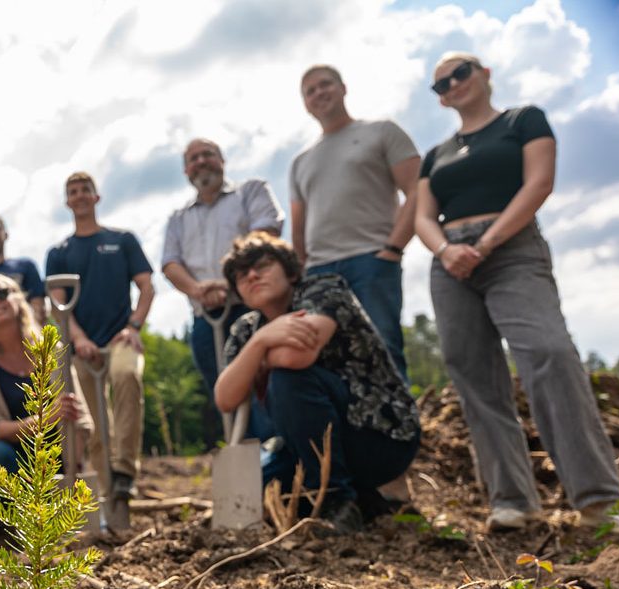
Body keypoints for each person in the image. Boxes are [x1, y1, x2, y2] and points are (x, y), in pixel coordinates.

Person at [415, 52, 619, 532]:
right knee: (474, 377)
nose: (451, 85)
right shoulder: (436, 155)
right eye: (440, 84)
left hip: (511, 250)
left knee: (549, 353)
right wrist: (448, 252)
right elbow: (423, 216)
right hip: (451, 264)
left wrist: (486, 243)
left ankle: (597, 500)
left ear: (485, 74)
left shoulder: (522, 120)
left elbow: (539, 183)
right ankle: (512, 500)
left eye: (459, 73)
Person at [214, 233, 420, 532]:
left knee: (288, 378)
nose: (252, 275)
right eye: (241, 274)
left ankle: (337, 502)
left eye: (263, 265)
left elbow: (295, 356)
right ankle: (366, 502)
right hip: (307, 445)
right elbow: (225, 397)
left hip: (380, 436)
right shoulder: (247, 329)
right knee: (261, 492)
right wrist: (260, 341)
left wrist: (256, 363)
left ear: (290, 271)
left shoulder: (324, 289)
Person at [291, 65, 420, 378]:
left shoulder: (381, 132)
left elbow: (419, 190)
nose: (319, 93)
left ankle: (399, 426)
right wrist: (304, 270)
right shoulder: (301, 160)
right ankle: (346, 429)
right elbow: (298, 222)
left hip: (371, 260)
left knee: (382, 347)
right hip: (320, 272)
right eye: (310, 91)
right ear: (305, 103)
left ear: (343, 88)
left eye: (325, 85)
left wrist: (392, 249)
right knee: (328, 358)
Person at [45, 172, 154, 501]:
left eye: (85, 190)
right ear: (67, 202)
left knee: (126, 376)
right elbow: (57, 303)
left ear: (96, 197)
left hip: (121, 339)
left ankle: (124, 470)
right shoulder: (59, 252)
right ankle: (110, 499)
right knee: (92, 426)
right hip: (82, 347)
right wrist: (77, 338)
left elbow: (147, 286)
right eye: (72, 191)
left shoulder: (122, 240)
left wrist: (132, 327)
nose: (79, 196)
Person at [162, 139, 283, 394]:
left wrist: (230, 283)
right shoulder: (179, 218)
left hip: (253, 306)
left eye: (208, 154)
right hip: (206, 318)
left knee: (267, 385)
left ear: (222, 160)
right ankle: (240, 436)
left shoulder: (250, 191)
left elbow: (265, 232)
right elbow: (171, 263)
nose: (201, 162)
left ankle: (271, 435)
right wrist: (198, 290)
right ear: (186, 171)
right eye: (193, 159)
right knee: (224, 392)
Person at [0, 273, 91, 488]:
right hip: (12, 463)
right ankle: (2, 520)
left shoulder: (52, 350)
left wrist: (73, 467)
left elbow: (81, 418)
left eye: (2, 293)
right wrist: (44, 419)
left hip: (57, 459)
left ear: (18, 300)